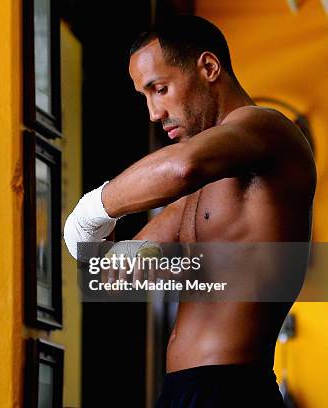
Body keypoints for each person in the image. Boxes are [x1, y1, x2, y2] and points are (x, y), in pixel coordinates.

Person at [63, 14, 316, 408]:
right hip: (184, 391)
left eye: (159, 89)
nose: (153, 112)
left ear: (209, 68)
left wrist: (88, 213)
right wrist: (102, 249)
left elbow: (182, 166)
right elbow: (112, 275)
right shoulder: (198, 193)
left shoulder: (269, 130)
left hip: (231, 391)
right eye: (144, 96)